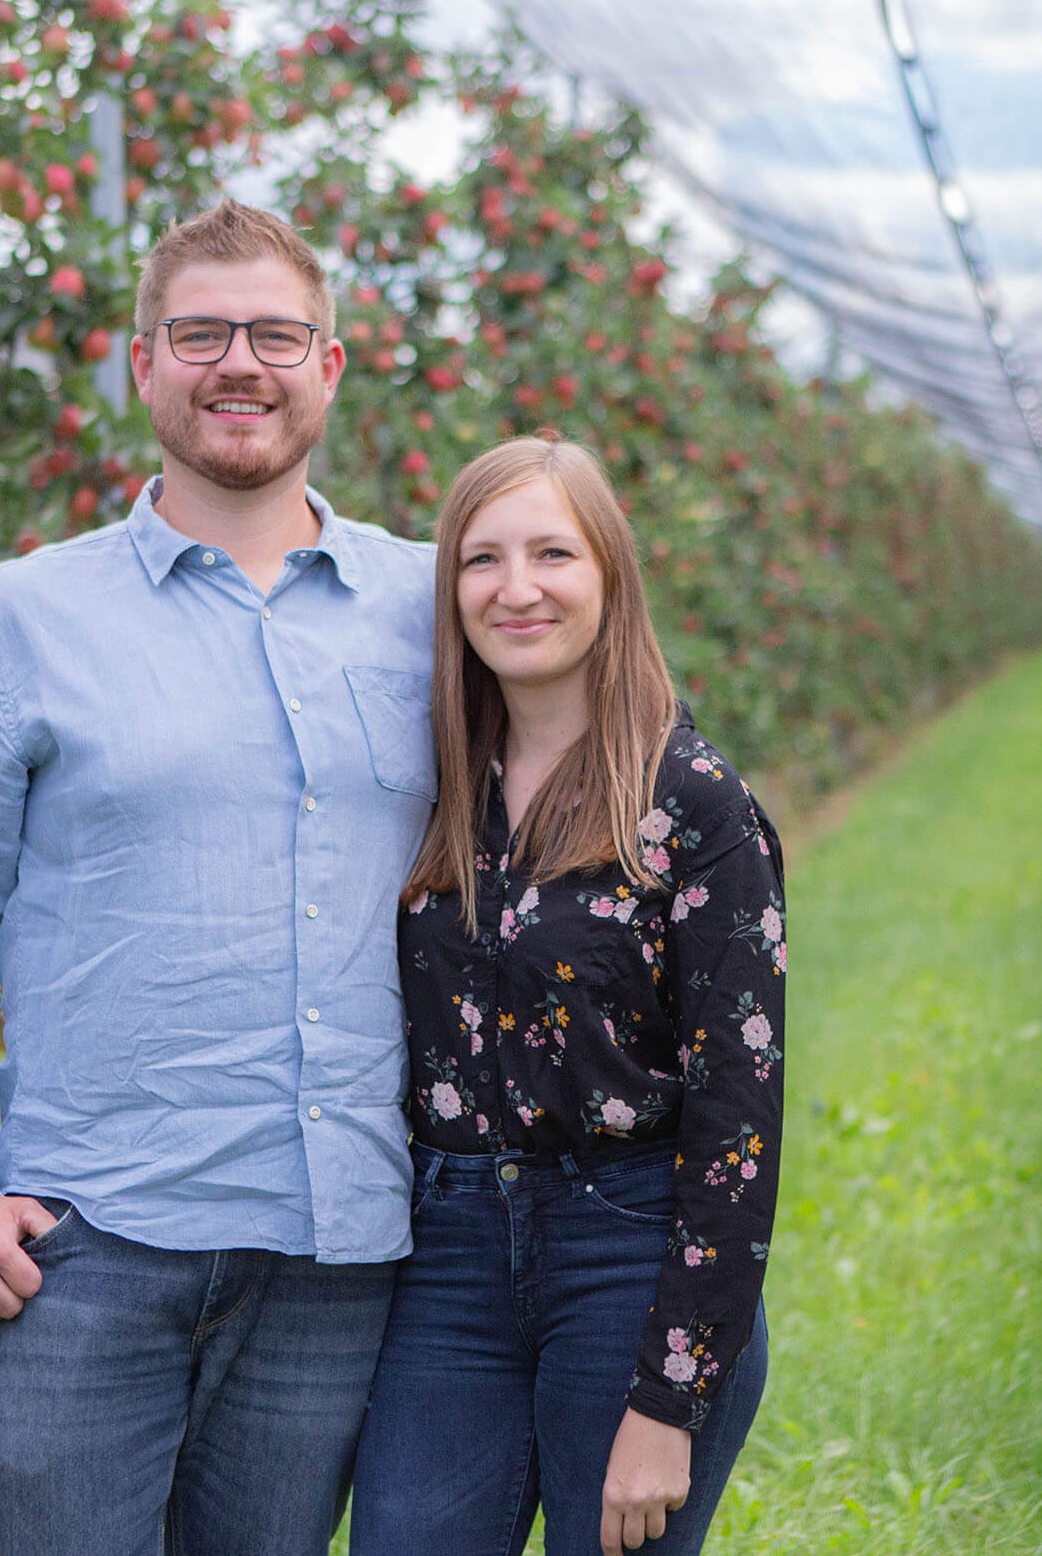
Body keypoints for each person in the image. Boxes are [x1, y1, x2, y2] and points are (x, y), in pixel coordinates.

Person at [0, 201, 436, 1556]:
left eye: (277, 333)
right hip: (91, 1246)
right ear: (141, 362)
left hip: (337, 1251)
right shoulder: (18, 622)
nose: (241, 362)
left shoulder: (428, 612)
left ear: (330, 365)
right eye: (201, 333)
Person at [350, 436, 786, 1556]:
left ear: (609, 577)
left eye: (552, 553)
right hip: (447, 1252)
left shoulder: (692, 808)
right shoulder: (433, 783)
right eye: (480, 559)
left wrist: (669, 1398)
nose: (517, 587)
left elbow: (738, 1124)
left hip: (628, 1247)